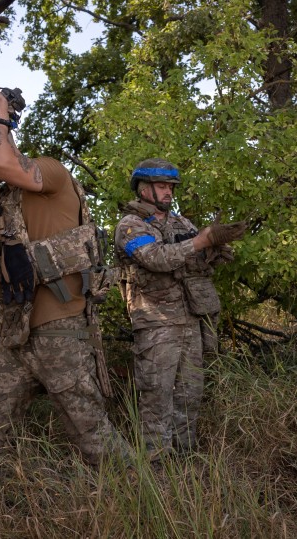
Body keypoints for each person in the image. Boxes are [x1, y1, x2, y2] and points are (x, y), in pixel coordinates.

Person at [0, 81, 134, 484]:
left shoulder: (49, 173)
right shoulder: (3, 198)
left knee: (95, 441)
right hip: (17, 338)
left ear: (1, 133)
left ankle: (152, 507)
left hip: (61, 334)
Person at [114, 158, 246, 459]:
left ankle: (185, 462)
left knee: (190, 395)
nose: (169, 192)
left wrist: (217, 249)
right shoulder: (130, 225)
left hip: (190, 320)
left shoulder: (181, 223)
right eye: (162, 186)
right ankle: (157, 466)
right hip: (156, 324)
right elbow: (156, 258)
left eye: (171, 187)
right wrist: (201, 242)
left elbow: (195, 259)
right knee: (157, 396)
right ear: (144, 189)